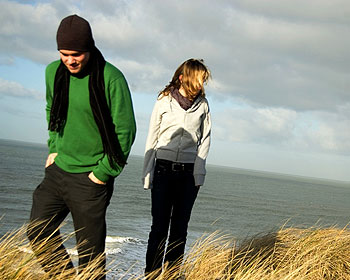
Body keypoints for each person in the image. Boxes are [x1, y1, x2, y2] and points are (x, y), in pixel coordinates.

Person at [27, 14, 136, 278]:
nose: (70, 60)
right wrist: (53, 147)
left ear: (89, 48)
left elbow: (126, 129)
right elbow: (51, 109)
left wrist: (103, 173)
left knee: (91, 259)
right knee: (38, 232)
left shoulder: (111, 77)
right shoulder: (53, 72)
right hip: (58, 170)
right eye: (64, 54)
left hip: (90, 180)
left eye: (76, 54)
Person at [142, 58, 211, 276]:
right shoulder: (163, 100)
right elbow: (152, 137)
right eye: (200, 79)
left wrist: (198, 174)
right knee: (159, 229)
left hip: (188, 175)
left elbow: (205, 140)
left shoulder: (203, 105)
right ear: (185, 77)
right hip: (163, 170)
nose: (202, 85)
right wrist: (147, 173)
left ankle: (172, 275)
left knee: (180, 230)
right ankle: (151, 275)